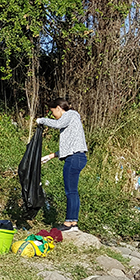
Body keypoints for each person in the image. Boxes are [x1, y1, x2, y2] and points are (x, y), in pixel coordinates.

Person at [36, 98, 88, 232]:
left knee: (70, 192)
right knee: (73, 191)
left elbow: (58, 124)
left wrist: (41, 120)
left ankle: (68, 223)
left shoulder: (70, 115)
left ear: (59, 108)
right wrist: (50, 156)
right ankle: (73, 222)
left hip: (74, 158)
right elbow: (69, 146)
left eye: (53, 112)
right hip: (77, 157)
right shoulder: (72, 120)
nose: (53, 115)